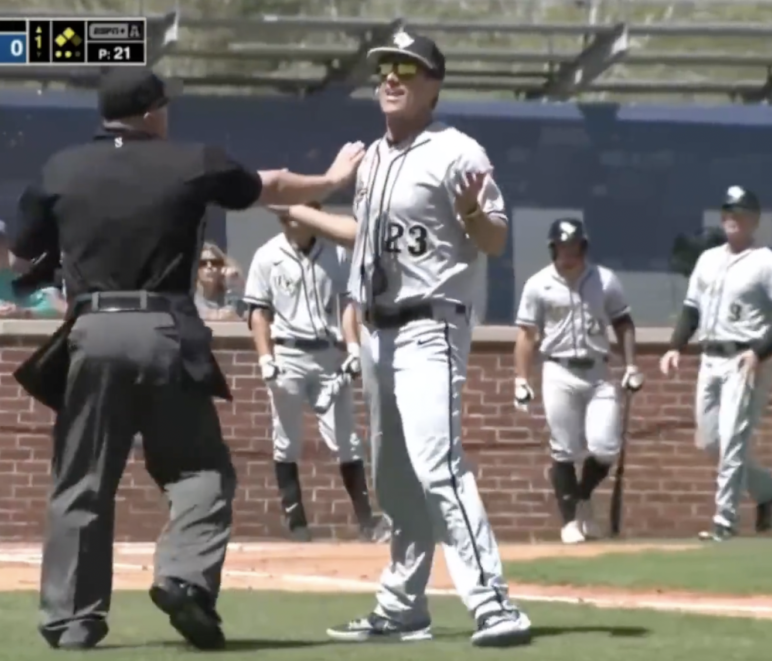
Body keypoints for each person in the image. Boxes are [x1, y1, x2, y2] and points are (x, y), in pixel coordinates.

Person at [9, 66, 365, 651]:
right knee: (199, 471)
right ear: (153, 111)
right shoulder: (192, 161)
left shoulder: (61, 168)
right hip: (165, 331)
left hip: (92, 330)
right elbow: (272, 185)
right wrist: (331, 177)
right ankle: (185, 579)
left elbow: (23, 258)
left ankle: (74, 621)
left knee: (82, 481)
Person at [269, 30, 530, 648]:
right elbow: (364, 235)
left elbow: (494, 237)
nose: (391, 77)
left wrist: (472, 214)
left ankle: (495, 605)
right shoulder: (373, 158)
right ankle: (402, 607)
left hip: (431, 326)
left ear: (433, 84)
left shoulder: (457, 150)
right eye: (386, 67)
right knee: (394, 479)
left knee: (439, 465)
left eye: (407, 69)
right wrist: (298, 211)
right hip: (378, 333)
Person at [659, 185, 772, 542]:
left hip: (744, 358)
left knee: (732, 440)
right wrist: (675, 346)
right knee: (709, 441)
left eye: (740, 213)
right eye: (728, 212)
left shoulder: (767, 262)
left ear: (754, 219)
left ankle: (725, 520)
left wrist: (760, 351)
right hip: (709, 357)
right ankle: (768, 491)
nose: (733, 219)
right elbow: (691, 308)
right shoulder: (708, 259)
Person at [244, 201, 385, 544]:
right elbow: (258, 311)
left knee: (347, 440)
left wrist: (353, 347)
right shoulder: (267, 255)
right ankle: (297, 524)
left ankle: (367, 522)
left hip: (327, 353)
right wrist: (265, 358)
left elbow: (348, 303)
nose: (288, 219)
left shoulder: (336, 252)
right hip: (287, 352)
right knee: (286, 440)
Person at [512, 218, 643, 545]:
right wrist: (521, 379)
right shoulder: (538, 284)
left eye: (573, 247)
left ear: (583, 247)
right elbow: (527, 335)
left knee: (605, 447)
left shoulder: (604, 280)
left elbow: (623, 323)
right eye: (561, 247)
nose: (567, 254)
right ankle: (570, 520)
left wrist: (631, 365)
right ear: (552, 248)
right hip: (558, 369)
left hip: (598, 369)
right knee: (565, 448)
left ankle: (582, 497)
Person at [194, 242, 247, 321]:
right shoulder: (191, 297)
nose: (209, 266)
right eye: (203, 263)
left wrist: (233, 283)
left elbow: (246, 314)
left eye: (215, 263)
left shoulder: (227, 294)